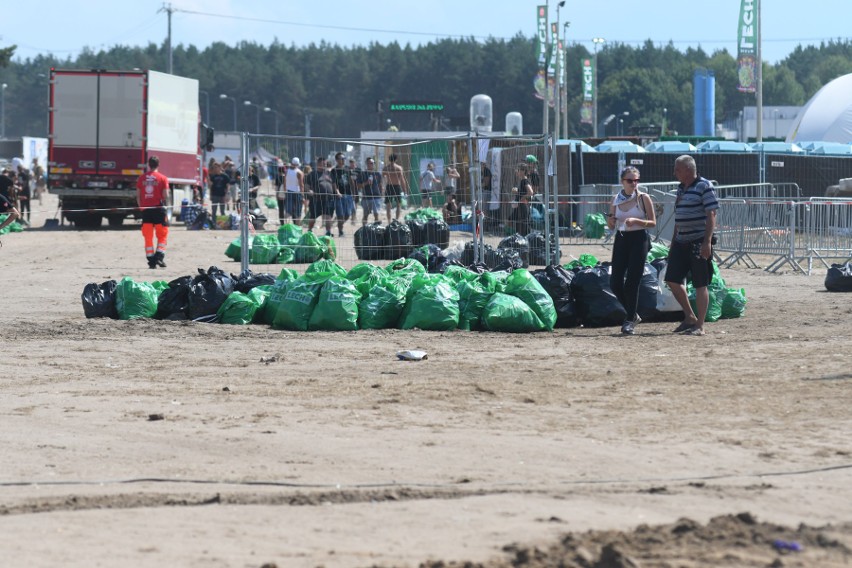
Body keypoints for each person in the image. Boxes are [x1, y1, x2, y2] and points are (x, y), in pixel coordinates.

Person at [665, 154, 720, 337]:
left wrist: (707, 242)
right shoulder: (681, 189)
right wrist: (673, 243)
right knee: (672, 279)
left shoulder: (704, 186)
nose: (674, 173)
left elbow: (711, 214)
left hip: (698, 241)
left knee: (700, 283)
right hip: (681, 241)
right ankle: (689, 316)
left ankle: (700, 325)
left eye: (677, 169)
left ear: (688, 170)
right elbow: (679, 218)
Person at [607, 166, 656, 335]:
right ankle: (633, 314)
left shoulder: (643, 198)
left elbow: (653, 222)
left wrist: (636, 220)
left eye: (636, 180)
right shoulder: (615, 199)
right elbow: (611, 224)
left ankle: (629, 320)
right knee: (615, 282)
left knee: (632, 282)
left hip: (639, 239)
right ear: (622, 181)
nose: (634, 183)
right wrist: (611, 220)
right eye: (630, 180)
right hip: (621, 239)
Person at [135, 156, 170, 268]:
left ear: (149, 164)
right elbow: (166, 195)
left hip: (146, 211)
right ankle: (159, 256)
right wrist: (167, 206)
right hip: (158, 209)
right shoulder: (163, 178)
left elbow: (138, 195)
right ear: (158, 164)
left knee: (148, 235)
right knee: (162, 235)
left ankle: (151, 259)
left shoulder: (141, 178)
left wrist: (141, 207)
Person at [304, 157, 338, 235]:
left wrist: (337, 192)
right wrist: (309, 191)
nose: (325, 165)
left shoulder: (329, 173)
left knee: (328, 216)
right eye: (323, 164)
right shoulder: (312, 174)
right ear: (318, 164)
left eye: (325, 164)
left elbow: (334, 184)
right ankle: (309, 231)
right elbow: (306, 186)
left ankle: (328, 232)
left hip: (328, 199)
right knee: (313, 217)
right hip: (316, 200)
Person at [330, 152, 355, 236]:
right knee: (340, 215)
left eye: (344, 158)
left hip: (348, 195)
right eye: (341, 158)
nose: (343, 160)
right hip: (339, 196)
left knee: (347, 214)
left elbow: (351, 181)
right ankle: (340, 231)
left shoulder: (348, 169)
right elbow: (334, 183)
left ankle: (339, 224)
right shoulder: (334, 170)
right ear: (337, 160)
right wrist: (337, 192)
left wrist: (354, 193)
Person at [382, 153, 409, 224]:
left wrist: (382, 187)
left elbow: (383, 178)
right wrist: (405, 190)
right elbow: (402, 180)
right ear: (396, 159)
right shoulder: (399, 168)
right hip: (397, 186)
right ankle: (396, 220)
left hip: (389, 186)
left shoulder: (386, 168)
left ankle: (389, 221)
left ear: (389, 159)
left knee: (388, 205)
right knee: (398, 204)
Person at [509, 163, 533, 237]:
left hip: (523, 207)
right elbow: (523, 192)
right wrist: (517, 191)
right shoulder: (523, 181)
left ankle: (525, 241)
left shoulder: (524, 181)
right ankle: (517, 239)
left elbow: (530, 192)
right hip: (520, 206)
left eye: (518, 170)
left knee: (524, 226)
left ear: (523, 171)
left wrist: (522, 198)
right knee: (514, 221)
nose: (517, 171)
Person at [358, 157, 383, 226]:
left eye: (372, 163)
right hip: (366, 197)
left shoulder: (377, 174)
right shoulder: (363, 174)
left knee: (376, 213)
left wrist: (381, 194)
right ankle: (364, 229)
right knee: (365, 215)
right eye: (369, 163)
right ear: (366, 164)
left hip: (376, 197)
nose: (371, 165)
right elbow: (358, 186)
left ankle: (377, 228)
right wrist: (366, 183)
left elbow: (380, 185)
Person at [280, 157, 304, 225]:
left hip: (288, 191)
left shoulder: (287, 171)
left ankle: (285, 226)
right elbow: (301, 185)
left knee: (288, 211)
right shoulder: (299, 172)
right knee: (298, 212)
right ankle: (297, 227)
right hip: (297, 192)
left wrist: (285, 191)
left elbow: (284, 182)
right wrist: (303, 195)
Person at [208, 162, 230, 227]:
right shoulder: (213, 176)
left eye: (216, 167)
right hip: (214, 195)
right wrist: (210, 195)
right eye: (214, 168)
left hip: (222, 195)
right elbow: (210, 186)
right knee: (214, 210)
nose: (215, 169)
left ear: (219, 167)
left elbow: (228, 186)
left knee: (222, 210)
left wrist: (226, 195)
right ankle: (213, 223)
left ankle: (223, 224)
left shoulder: (225, 176)